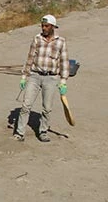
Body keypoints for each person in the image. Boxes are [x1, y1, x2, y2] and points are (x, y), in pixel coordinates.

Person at [14, 14, 69, 142]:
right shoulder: (37, 39)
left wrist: (63, 81)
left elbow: (64, 61)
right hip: (35, 76)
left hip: (51, 78)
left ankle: (43, 131)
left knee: (47, 108)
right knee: (26, 105)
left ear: (53, 27)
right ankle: (20, 132)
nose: (44, 28)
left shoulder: (61, 42)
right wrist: (24, 76)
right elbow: (30, 58)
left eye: (46, 26)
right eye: (42, 26)